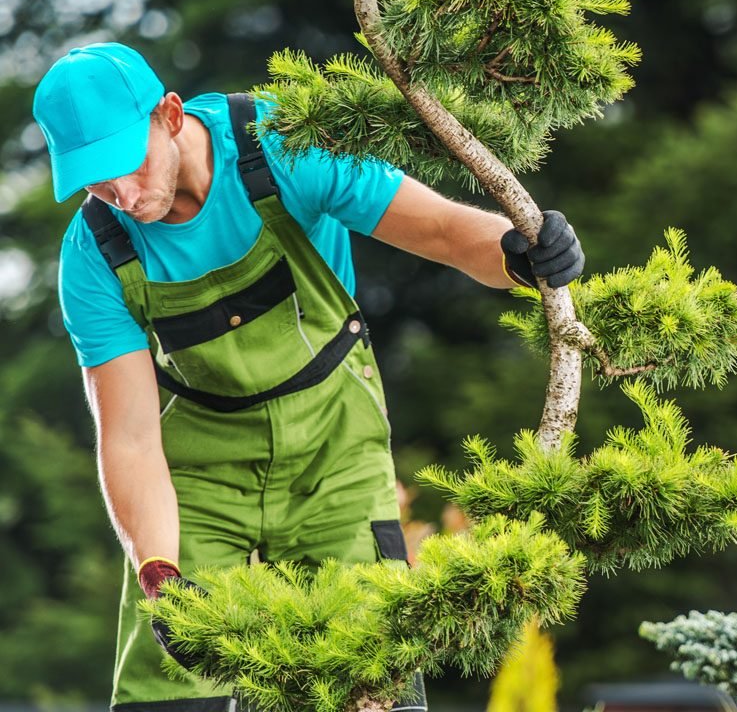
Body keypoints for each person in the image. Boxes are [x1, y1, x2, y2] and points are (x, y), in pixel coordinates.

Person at [33, 42, 584, 712]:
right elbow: (129, 439)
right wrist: (159, 572)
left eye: (126, 165)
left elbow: (441, 231)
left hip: (335, 453)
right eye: (94, 183)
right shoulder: (95, 253)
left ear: (171, 116)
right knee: (170, 692)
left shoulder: (283, 145)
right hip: (199, 480)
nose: (120, 194)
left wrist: (518, 255)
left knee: (370, 674)